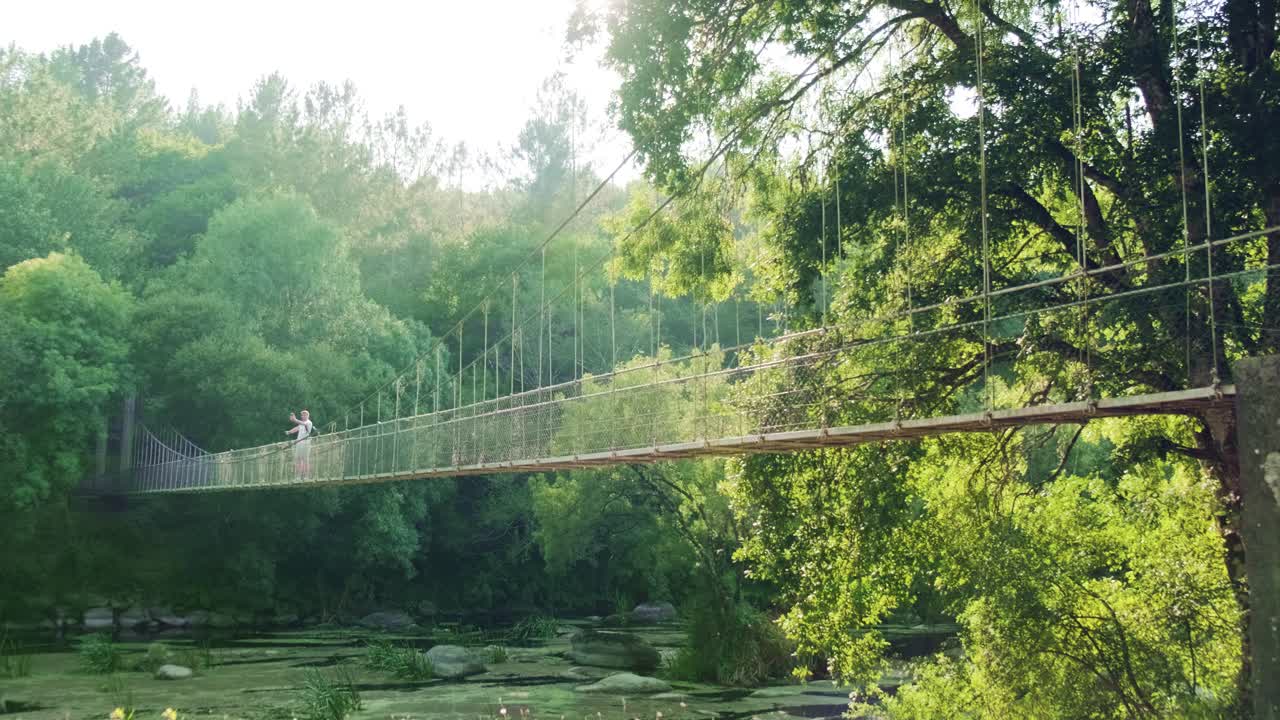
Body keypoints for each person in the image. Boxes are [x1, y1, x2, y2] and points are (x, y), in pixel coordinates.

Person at [286, 410, 314, 477]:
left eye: (304, 415)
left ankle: (306, 476)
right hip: (299, 443)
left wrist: (295, 420)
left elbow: (303, 424)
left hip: (306, 443)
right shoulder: (301, 423)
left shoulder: (309, 423)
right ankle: (298, 475)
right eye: (302, 415)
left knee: (305, 459)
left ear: (308, 415)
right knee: (298, 459)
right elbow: (297, 428)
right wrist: (289, 432)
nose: (303, 416)